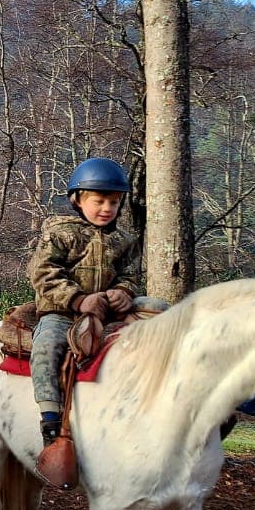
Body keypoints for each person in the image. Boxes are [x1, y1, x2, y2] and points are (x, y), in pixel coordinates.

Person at [27, 157, 159, 448]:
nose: (107, 209)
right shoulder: (60, 233)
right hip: (63, 313)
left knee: (160, 310)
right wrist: (78, 299)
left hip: (110, 312)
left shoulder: (124, 240)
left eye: (113, 202)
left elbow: (130, 274)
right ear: (77, 199)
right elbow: (42, 273)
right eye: (99, 201)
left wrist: (123, 292)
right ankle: (50, 413)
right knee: (46, 345)